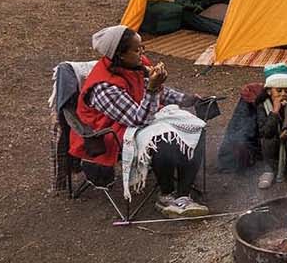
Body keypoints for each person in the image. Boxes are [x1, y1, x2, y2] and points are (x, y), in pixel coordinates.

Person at [70, 25, 209, 217]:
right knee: (164, 140)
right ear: (120, 55)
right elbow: (138, 119)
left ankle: (183, 195)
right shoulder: (104, 87)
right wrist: (152, 89)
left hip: (138, 118)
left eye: (142, 47)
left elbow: (158, 92)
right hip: (110, 132)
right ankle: (166, 196)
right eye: (136, 50)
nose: (142, 53)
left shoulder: (135, 65)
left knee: (196, 127)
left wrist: (185, 99)